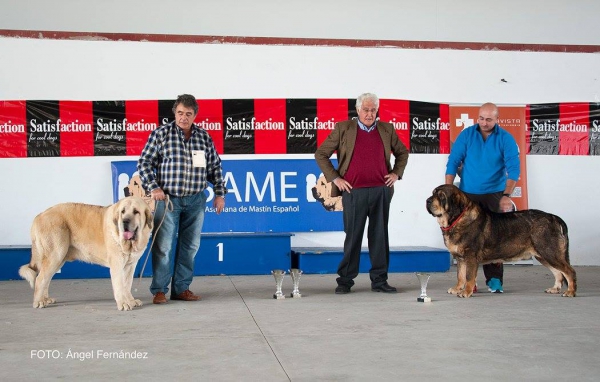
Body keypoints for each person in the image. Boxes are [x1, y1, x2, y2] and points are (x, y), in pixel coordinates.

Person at [315, 93, 409, 294]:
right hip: (353, 192)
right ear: (357, 110)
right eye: (365, 109)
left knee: (379, 237)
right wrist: (336, 178)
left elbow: (402, 153)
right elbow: (321, 154)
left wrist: (396, 173)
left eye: (373, 110)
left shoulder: (387, 129)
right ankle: (345, 281)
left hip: (381, 192)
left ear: (377, 111)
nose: (369, 113)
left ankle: (380, 280)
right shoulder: (343, 128)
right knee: (353, 237)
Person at [137, 94, 227, 304]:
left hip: (196, 200)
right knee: (164, 246)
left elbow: (215, 167)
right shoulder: (161, 134)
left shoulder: (203, 137)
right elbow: (144, 163)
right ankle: (159, 290)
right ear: (174, 113)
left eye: (188, 114)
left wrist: (220, 193)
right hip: (168, 200)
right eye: (180, 113)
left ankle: (181, 288)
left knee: (190, 247)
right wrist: (154, 187)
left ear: (195, 115)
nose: (183, 117)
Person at [445, 102, 520, 293]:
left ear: (497, 119)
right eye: (481, 118)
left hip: (494, 194)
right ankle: (469, 282)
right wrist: (448, 187)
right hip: (467, 196)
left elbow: (514, 169)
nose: (484, 122)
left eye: (488, 119)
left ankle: (494, 279)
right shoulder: (467, 135)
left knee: (494, 239)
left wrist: (506, 195)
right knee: (466, 241)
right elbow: (453, 161)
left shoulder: (506, 139)